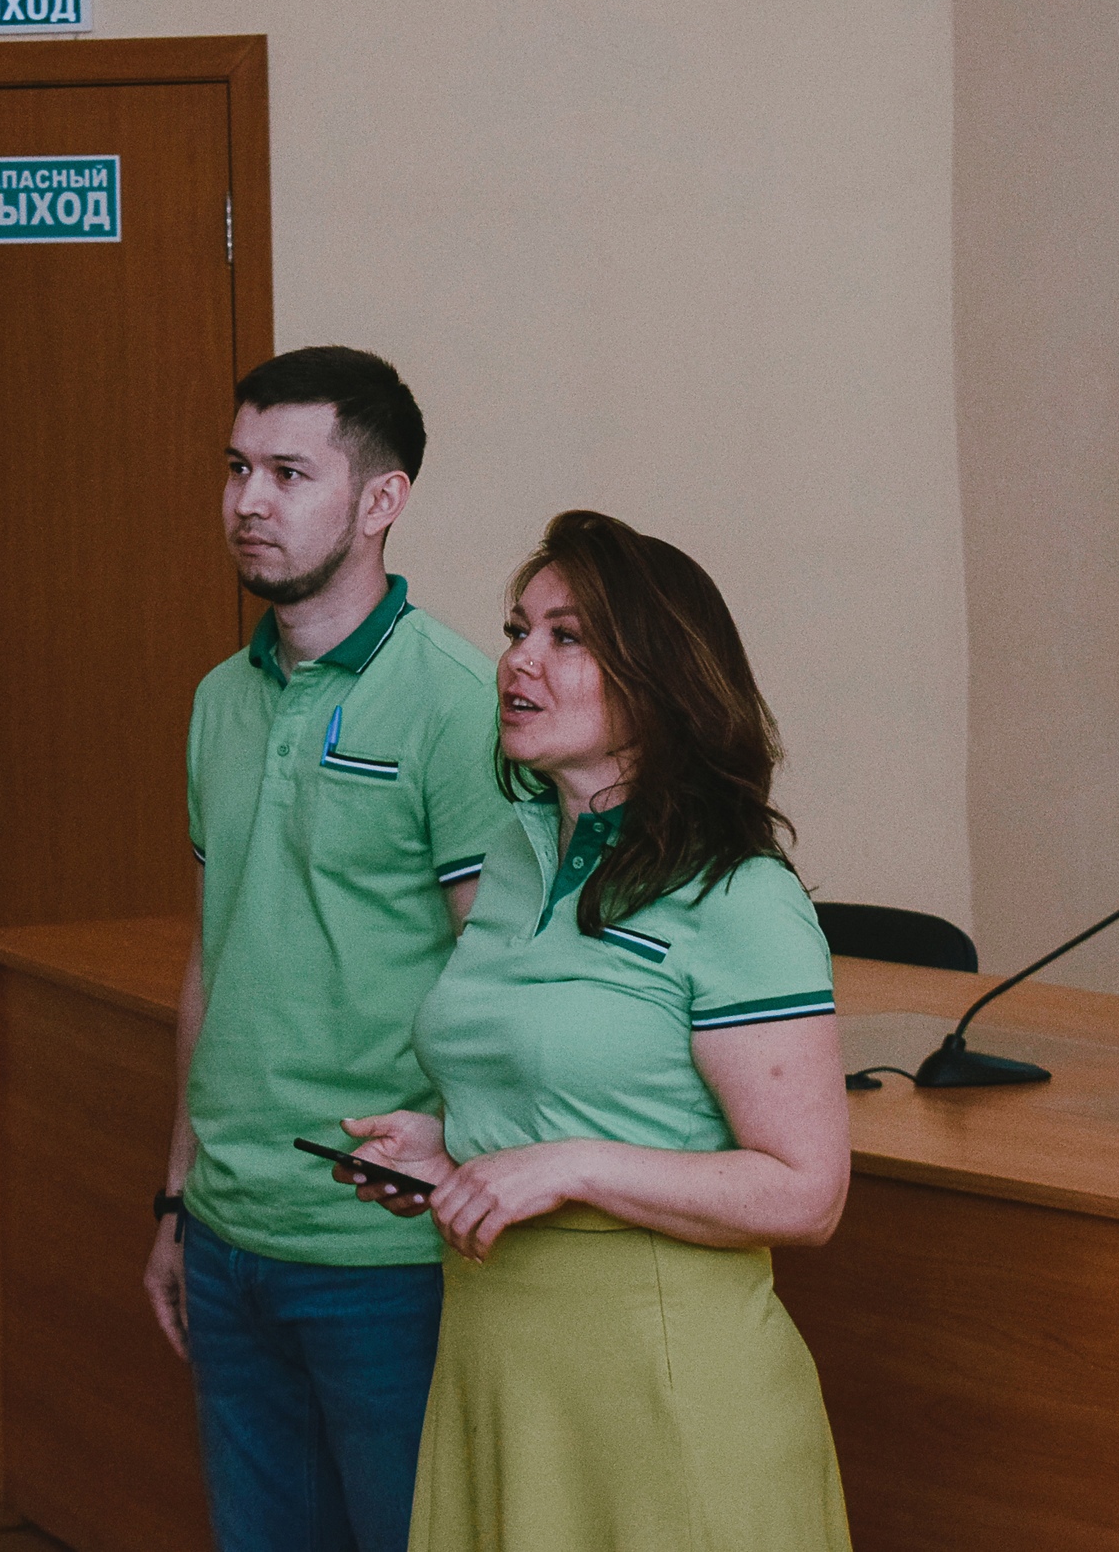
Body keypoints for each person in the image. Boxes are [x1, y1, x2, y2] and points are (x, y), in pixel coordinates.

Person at [342, 509, 854, 1551]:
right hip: (499, 1365)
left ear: (658, 679)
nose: (518, 660)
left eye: (565, 636)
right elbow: (563, 1089)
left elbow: (808, 1193)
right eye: (516, 630)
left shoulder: (738, 892)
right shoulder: (514, 856)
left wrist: (569, 1165)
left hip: (663, 1390)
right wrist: (457, 1151)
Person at [143, 346, 511, 1552]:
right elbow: (215, 957)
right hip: (228, 1231)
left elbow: (501, 979)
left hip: (384, 1249)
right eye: (236, 467)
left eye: (289, 473)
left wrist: (463, 1166)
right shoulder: (220, 698)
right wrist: (176, 1195)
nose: (248, 500)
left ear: (380, 499)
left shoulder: (458, 700)